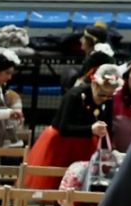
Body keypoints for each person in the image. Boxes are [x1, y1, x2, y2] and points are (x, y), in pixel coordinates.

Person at [25, 61, 120, 189]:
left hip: (85, 145)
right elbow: (63, 128)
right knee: (54, 183)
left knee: (80, 183)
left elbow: (107, 126)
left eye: (109, 96)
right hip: (61, 144)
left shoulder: (107, 101)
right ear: (94, 84)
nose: (104, 99)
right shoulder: (74, 96)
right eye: (102, 94)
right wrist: (90, 129)